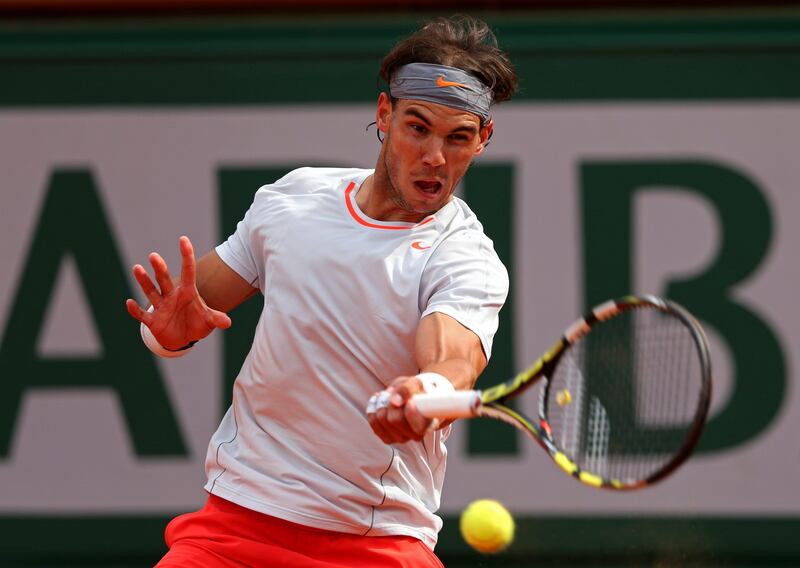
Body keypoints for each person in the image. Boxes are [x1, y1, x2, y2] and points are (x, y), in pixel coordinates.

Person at [126, 15, 518, 567]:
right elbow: (189, 314)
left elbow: (454, 357)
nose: (435, 156)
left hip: (374, 543)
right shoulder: (294, 199)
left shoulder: (465, 257)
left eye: (458, 138)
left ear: (482, 139)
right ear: (384, 115)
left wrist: (427, 391)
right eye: (418, 127)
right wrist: (168, 334)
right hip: (234, 526)